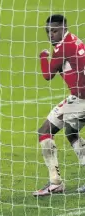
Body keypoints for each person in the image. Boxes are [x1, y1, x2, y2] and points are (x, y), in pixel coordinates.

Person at [34, 14, 85, 196]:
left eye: (54, 31)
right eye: (48, 31)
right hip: (77, 97)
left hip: (82, 100)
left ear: (64, 28)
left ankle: (55, 182)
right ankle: (55, 182)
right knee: (65, 132)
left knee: (49, 130)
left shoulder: (63, 47)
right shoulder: (74, 41)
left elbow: (48, 75)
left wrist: (42, 56)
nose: (51, 35)